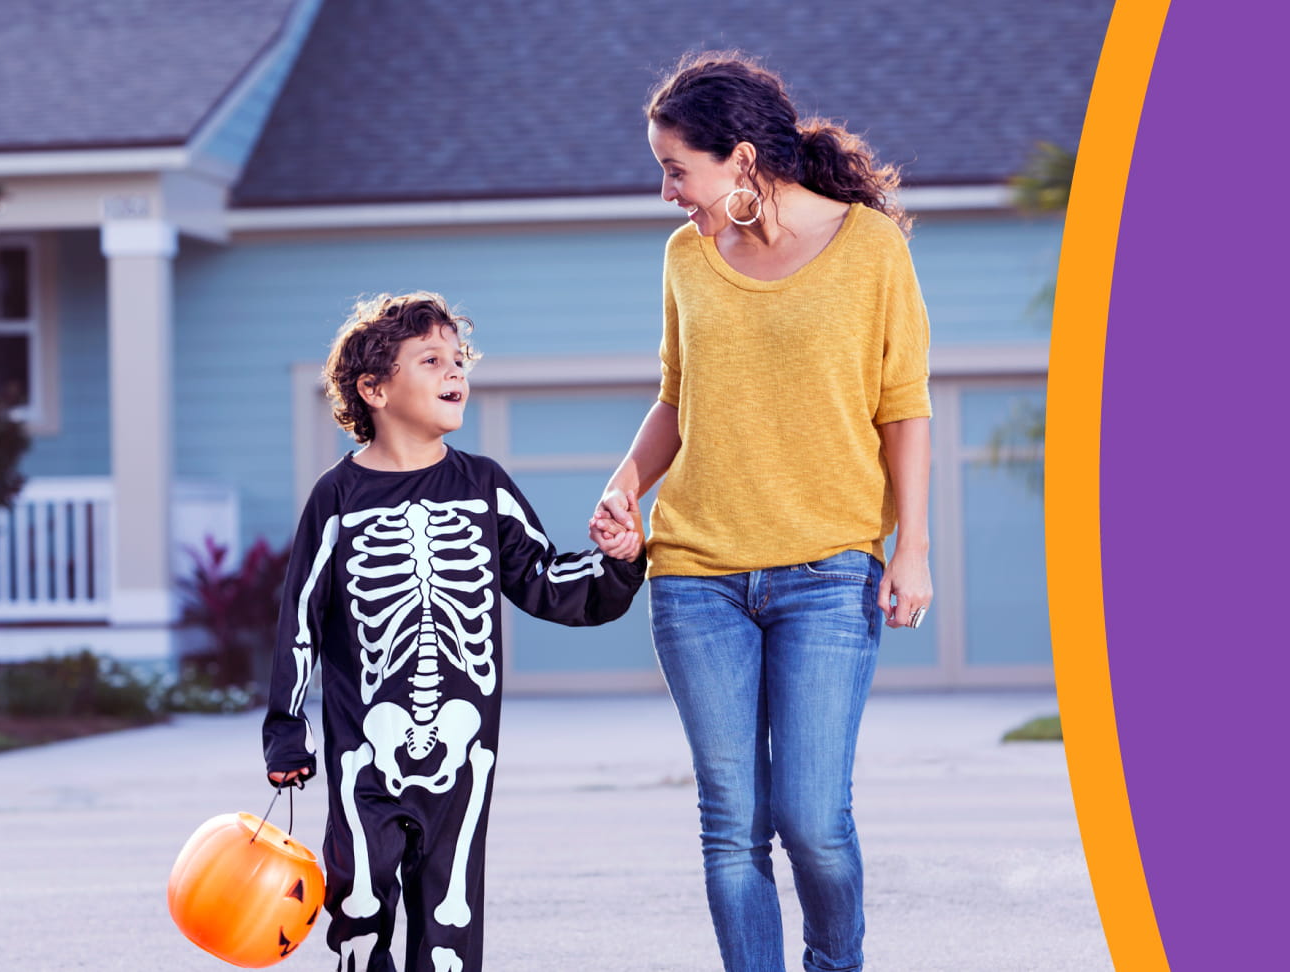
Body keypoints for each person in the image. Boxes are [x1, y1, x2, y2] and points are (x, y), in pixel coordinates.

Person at [590, 52, 933, 972]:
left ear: (741, 159)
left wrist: (914, 549)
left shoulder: (870, 249)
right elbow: (676, 396)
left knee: (813, 820)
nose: (665, 191)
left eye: (675, 168)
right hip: (697, 574)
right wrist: (627, 482)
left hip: (829, 571)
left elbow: (904, 405)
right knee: (731, 825)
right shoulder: (685, 258)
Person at [263, 291, 645, 972]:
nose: (456, 372)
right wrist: (286, 729)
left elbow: (545, 581)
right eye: (432, 359)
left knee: (448, 918)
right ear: (374, 388)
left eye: (459, 359)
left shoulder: (483, 486)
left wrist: (616, 564)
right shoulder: (336, 497)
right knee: (359, 906)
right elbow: (300, 620)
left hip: (464, 759)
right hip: (363, 759)